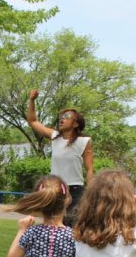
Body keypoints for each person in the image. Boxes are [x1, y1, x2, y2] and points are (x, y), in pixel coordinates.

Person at [26, 89, 94, 226]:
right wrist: (32, 100)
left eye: (67, 116)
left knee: (72, 227)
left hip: (75, 191)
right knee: (52, 226)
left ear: (75, 124)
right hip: (55, 190)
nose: (62, 118)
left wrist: (92, 192)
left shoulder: (84, 142)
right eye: (62, 116)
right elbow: (33, 121)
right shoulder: (54, 137)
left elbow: (89, 169)